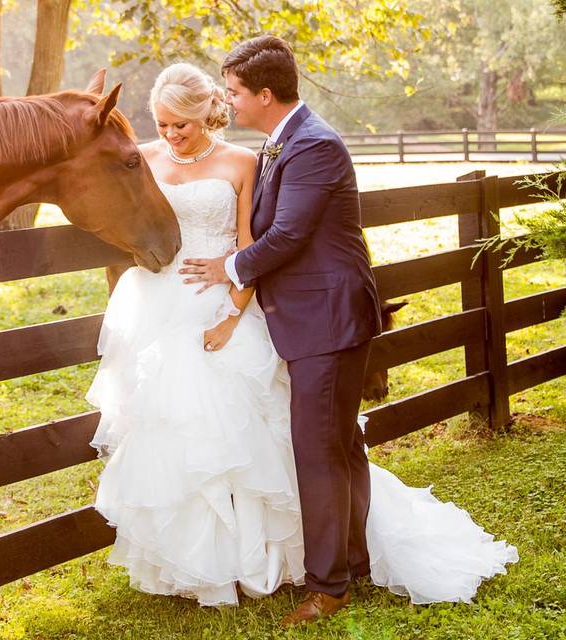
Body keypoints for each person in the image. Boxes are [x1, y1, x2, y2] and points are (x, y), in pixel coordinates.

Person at [86, 47, 518, 627]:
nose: (228, 103)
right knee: (339, 445)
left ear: (264, 95)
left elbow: (287, 233)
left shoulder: (313, 143)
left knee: (318, 450)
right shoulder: (283, 141)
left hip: (326, 318)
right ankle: (355, 556)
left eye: (234, 92)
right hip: (305, 314)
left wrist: (228, 271)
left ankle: (328, 586)